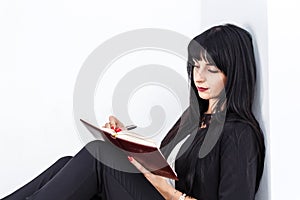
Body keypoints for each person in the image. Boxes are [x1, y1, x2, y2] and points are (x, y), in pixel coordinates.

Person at [2, 23, 265, 200]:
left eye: (211, 69)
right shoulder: (193, 116)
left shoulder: (238, 135)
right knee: (67, 163)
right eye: (195, 66)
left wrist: (170, 192)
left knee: (100, 155)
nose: (199, 77)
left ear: (234, 73)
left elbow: (172, 185)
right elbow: (167, 166)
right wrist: (130, 144)